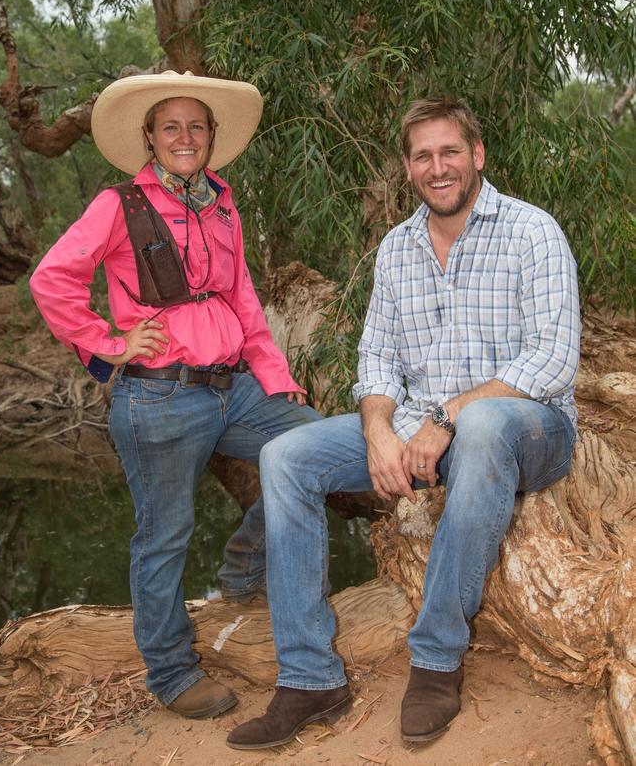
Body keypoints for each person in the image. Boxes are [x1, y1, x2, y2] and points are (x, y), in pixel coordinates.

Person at [227, 97, 580, 750]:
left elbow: (554, 358)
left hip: (531, 429)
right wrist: (377, 429)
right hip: (425, 428)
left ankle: (438, 656)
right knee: (286, 456)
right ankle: (310, 676)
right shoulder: (398, 249)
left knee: (482, 427)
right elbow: (377, 360)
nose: (438, 167)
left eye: (450, 151)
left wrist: (449, 414)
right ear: (407, 167)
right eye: (423, 155)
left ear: (476, 155)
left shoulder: (532, 231)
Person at [30, 70, 321, 720]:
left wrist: (277, 377)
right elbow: (52, 280)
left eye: (196, 126)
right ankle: (169, 670)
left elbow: (243, 296)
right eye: (171, 127)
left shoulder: (221, 204)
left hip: (235, 388)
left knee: (317, 444)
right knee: (164, 536)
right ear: (150, 139)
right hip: (158, 398)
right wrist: (105, 343)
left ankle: (245, 561)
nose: (184, 137)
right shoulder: (119, 206)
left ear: (211, 136)